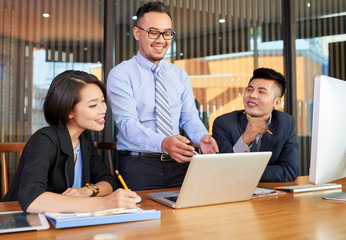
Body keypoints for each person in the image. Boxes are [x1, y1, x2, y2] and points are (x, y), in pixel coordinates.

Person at [106, 2, 218, 191]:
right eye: (153, 32)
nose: (161, 40)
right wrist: (164, 143)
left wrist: (202, 137)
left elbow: (189, 117)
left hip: (180, 164)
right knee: (142, 220)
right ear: (137, 33)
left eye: (167, 33)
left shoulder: (179, 75)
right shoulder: (121, 74)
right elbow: (127, 124)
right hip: (139, 165)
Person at [1, 70, 137, 213]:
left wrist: (87, 191)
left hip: (62, 222)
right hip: (19, 221)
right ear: (69, 111)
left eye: (103, 101)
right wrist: (104, 203)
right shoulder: (44, 140)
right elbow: (32, 199)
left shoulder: (83, 139)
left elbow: (108, 181)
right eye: (93, 105)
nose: (103, 109)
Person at [212, 68, 299, 182]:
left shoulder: (286, 123)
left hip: (271, 195)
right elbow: (223, 170)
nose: (252, 95)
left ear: (276, 103)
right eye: (249, 89)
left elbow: (290, 171)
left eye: (261, 92)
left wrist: (244, 172)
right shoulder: (224, 123)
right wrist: (245, 139)